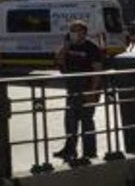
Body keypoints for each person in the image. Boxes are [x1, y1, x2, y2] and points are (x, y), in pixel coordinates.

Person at [54, 19, 104, 162]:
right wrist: (65, 47)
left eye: (76, 30)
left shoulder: (91, 48)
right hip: (72, 89)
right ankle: (69, 149)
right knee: (70, 120)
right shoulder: (69, 47)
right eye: (72, 30)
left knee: (87, 120)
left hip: (87, 89)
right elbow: (59, 61)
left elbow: (97, 70)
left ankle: (89, 151)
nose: (74, 33)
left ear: (84, 32)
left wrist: (92, 91)